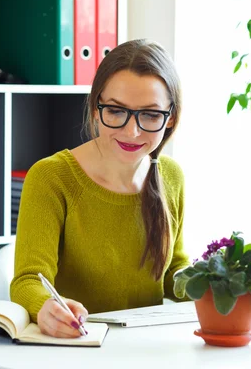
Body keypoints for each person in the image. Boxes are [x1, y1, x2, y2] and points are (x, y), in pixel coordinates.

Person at [10, 39, 190, 339]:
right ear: (95, 108)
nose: (131, 131)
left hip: (145, 349)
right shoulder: (51, 177)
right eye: (116, 111)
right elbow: (28, 280)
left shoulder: (171, 176)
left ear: (170, 117)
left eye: (150, 115)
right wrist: (46, 308)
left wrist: (219, 283)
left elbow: (173, 271)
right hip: (77, 347)